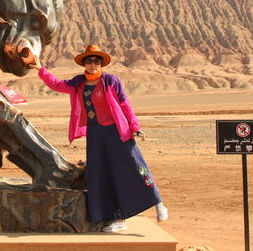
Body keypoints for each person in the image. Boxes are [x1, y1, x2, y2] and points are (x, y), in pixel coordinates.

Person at [32, 44, 168, 232]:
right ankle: (117, 219)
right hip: (95, 135)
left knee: (135, 167)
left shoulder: (111, 81)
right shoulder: (78, 82)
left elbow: (125, 104)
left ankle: (158, 203)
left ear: (101, 63)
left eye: (96, 60)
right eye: (89, 60)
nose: (92, 64)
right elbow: (57, 84)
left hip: (117, 132)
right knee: (102, 174)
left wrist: (135, 127)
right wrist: (41, 69)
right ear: (84, 64)